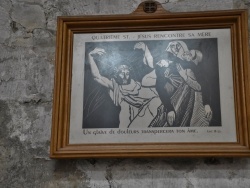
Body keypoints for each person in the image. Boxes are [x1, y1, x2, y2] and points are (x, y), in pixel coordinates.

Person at [134, 41, 212, 127]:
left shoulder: (189, 65)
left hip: (191, 99)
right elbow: (160, 86)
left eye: (177, 46)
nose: (175, 49)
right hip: (171, 99)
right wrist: (169, 109)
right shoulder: (163, 65)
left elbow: (203, 83)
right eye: (172, 46)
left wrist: (206, 104)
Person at [88, 48, 161, 129]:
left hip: (146, 116)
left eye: (127, 72)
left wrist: (146, 49)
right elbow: (97, 77)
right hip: (127, 118)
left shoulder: (138, 85)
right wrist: (90, 56)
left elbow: (154, 92)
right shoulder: (115, 86)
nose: (125, 75)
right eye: (121, 73)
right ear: (116, 74)